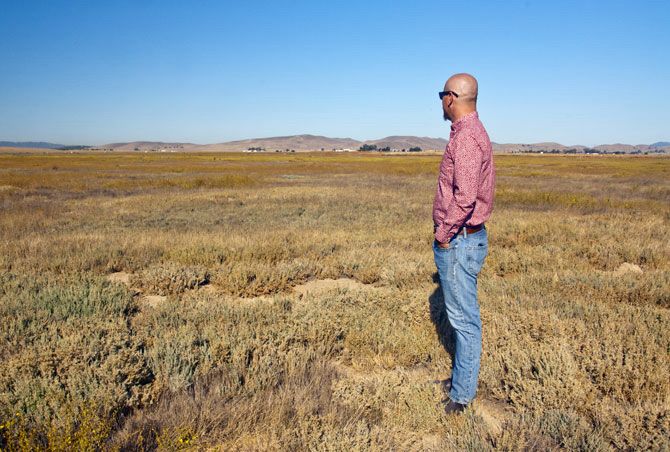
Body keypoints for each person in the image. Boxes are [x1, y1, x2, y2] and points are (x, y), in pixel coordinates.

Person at [433, 73, 495, 414]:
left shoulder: (467, 137)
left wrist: (443, 235)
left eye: (442, 95)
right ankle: (462, 378)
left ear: (451, 98)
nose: (441, 102)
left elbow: (465, 197)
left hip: (459, 241)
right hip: (463, 239)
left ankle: (461, 396)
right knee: (461, 318)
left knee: (464, 321)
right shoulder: (467, 132)